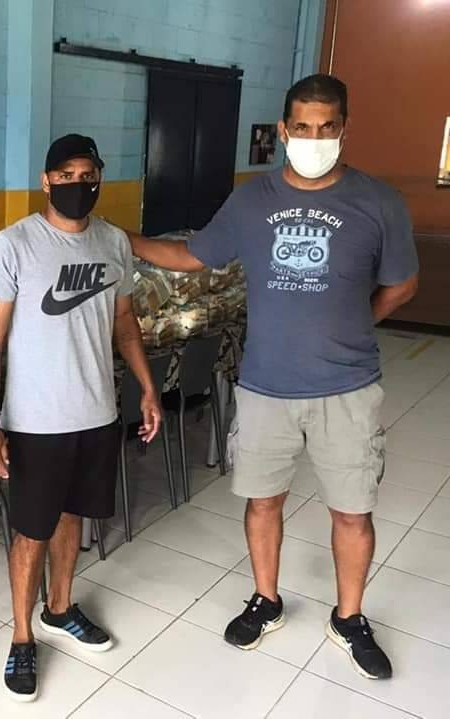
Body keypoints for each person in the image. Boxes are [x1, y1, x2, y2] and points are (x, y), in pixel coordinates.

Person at [130, 74, 418, 680]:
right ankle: (266, 599)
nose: (315, 138)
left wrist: (360, 322)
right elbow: (192, 255)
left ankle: (350, 617)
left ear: (344, 128)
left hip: (348, 388)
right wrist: (123, 238)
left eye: (328, 127)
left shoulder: (378, 201)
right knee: (263, 502)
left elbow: (403, 283)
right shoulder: (251, 200)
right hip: (265, 387)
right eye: (303, 127)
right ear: (283, 130)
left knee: (353, 511)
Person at [0, 134, 162, 702]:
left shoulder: (113, 244)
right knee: (31, 530)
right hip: (35, 419)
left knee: (73, 518)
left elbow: (124, 323)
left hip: (97, 413)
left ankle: (59, 609)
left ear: (100, 177)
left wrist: (148, 388)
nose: (79, 184)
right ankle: (22, 637)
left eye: (89, 173)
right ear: (47, 180)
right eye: (67, 174)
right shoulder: (14, 245)